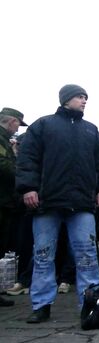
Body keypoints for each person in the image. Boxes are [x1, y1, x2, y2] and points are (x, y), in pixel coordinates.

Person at [16, 84, 99, 323]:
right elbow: (28, 158)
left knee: (87, 254)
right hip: (47, 202)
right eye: (80, 97)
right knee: (43, 254)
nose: (84, 101)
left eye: (86, 98)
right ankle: (41, 305)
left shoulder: (91, 130)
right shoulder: (43, 125)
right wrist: (28, 188)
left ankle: (90, 305)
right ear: (66, 99)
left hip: (81, 204)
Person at [0, 107, 27, 307]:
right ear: (11, 122)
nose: (18, 128)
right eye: (18, 123)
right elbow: (4, 167)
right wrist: (23, 175)